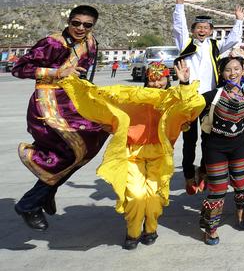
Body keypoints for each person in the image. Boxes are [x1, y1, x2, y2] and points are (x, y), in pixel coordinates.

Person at [57, 61, 205, 249]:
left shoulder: (173, 98)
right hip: (132, 153)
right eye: (152, 80)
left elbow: (192, 103)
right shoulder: (132, 96)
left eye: (161, 79)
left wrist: (184, 83)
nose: (156, 84)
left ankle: (151, 229)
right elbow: (100, 96)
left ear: (168, 79)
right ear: (146, 80)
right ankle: (133, 233)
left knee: (154, 197)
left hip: (160, 154)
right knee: (135, 195)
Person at [12, 5, 109, 231]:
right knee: (70, 151)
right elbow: (19, 68)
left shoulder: (91, 42)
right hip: (48, 104)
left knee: (91, 143)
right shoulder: (53, 43)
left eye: (87, 25)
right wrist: (57, 72)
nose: (81, 28)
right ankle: (30, 203)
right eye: (76, 23)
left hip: (73, 102)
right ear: (69, 21)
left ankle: (47, 192)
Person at [173, 0, 244, 194]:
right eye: (199, 27)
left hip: (208, 100)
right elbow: (179, 28)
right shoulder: (186, 43)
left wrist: (239, 20)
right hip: (189, 98)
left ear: (211, 30)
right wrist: (179, 5)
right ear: (194, 30)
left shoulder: (214, 45)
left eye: (206, 28)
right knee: (189, 140)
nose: (202, 30)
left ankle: (204, 172)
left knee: (208, 138)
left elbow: (232, 40)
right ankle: (189, 176)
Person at [197, 56, 244, 245]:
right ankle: (211, 228)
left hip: (239, 146)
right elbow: (190, 112)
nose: (233, 73)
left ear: (243, 70)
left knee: (242, 185)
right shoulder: (212, 96)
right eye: (228, 69)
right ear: (222, 73)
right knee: (218, 189)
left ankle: (240, 211)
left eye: (236, 68)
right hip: (215, 148)